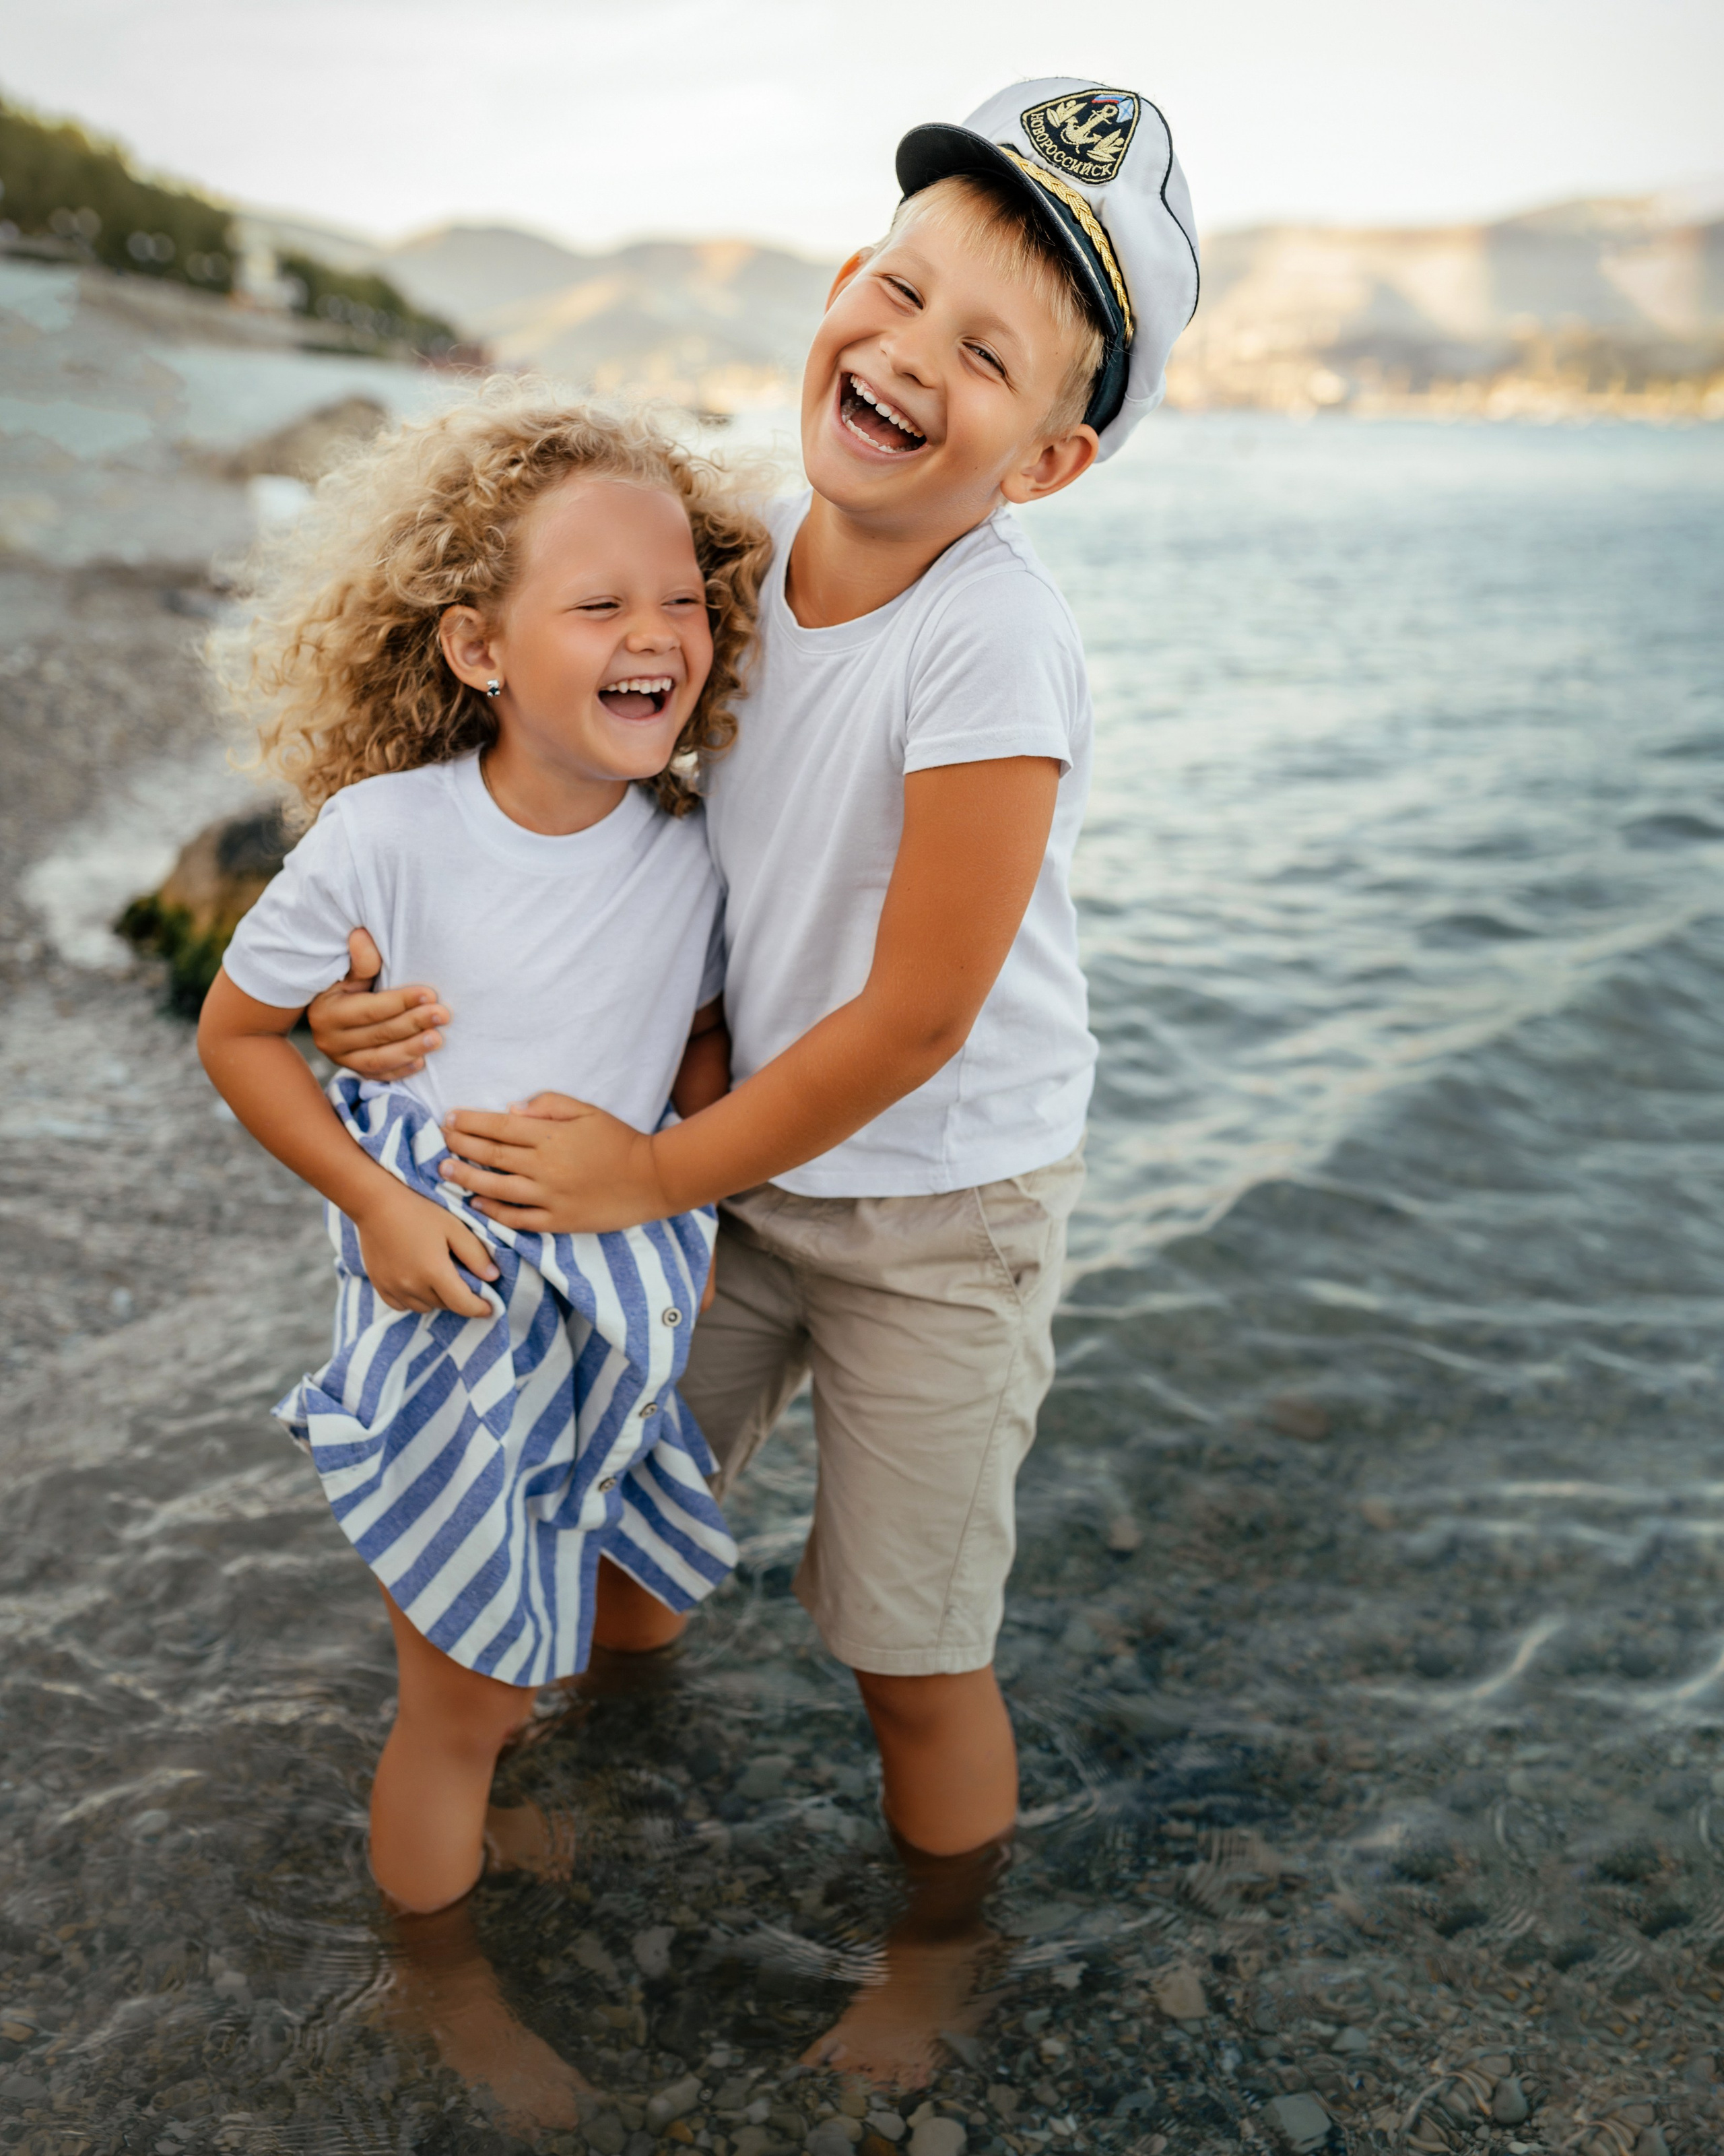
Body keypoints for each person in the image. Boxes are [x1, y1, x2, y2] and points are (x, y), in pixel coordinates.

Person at [308, 79, 1199, 2083]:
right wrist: (402, 979)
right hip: (735, 1163)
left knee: (908, 1639)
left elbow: (913, 1016)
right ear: (836, 288)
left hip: (934, 1207)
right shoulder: (745, 559)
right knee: (625, 1527)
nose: (908, 357)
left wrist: (646, 1171)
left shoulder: (992, 646)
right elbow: (635, 811)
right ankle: (621, 1760)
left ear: (1047, 458)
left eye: (985, 356)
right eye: (898, 293)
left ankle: (934, 1963)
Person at [197, 388, 770, 1937]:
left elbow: (700, 1042)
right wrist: (377, 1200)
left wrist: (683, 1202)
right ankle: (436, 1991)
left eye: (679, 600)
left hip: (613, 1308)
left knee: (560, 1602)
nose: (653, 631)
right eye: (596, 604)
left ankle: (530, 1798)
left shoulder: (692, 850)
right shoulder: (388, 839)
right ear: (477, 649)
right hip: (442, 1304)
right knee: (456, 1695)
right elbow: (241, 1036)